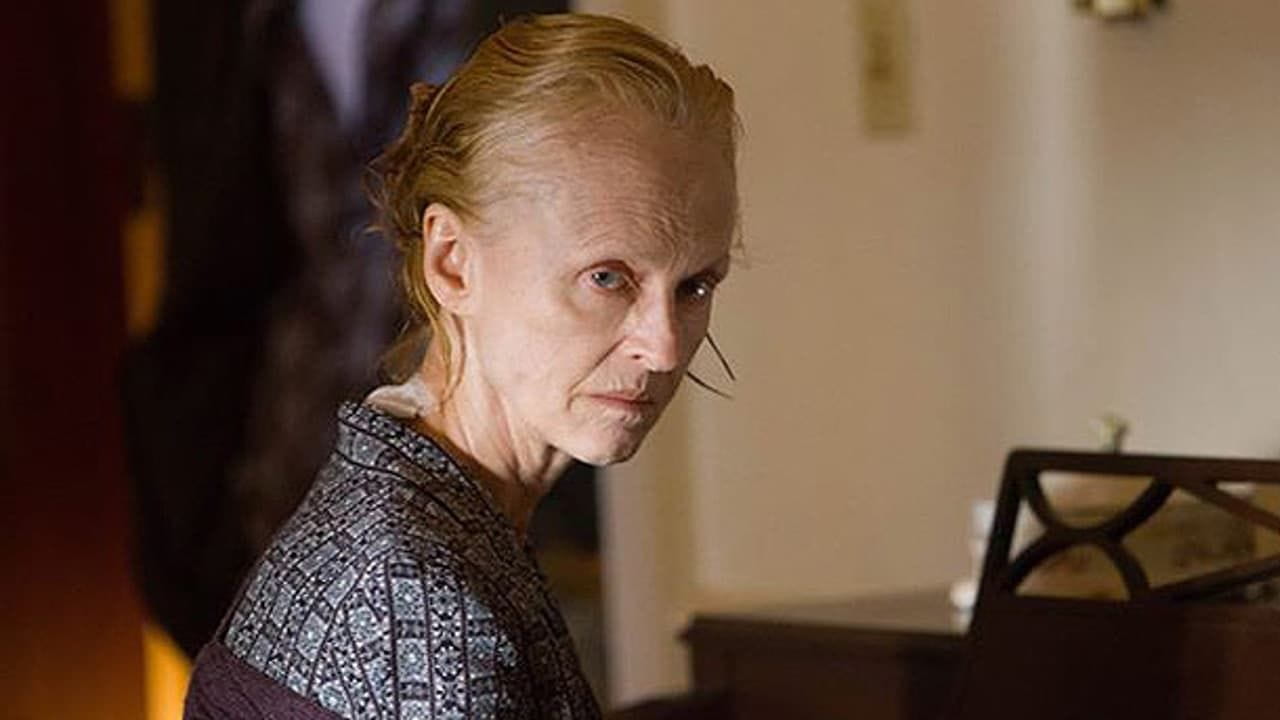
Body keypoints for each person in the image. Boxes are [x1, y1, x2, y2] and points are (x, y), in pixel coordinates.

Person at [184, 12, 740, 719]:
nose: (663, 348)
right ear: (452, 263)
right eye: (607, 278)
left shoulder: (409, 504)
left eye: (694, 286)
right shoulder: (416, 593)